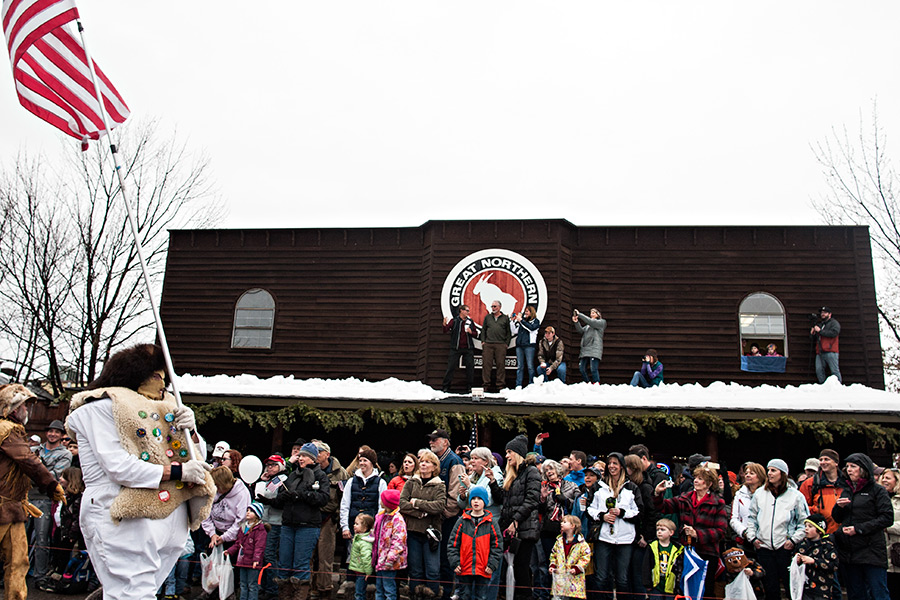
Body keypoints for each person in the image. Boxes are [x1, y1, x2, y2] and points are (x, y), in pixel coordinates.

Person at [65, 344, 215, 600]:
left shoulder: (164, 408)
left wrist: (191, 433)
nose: (162, 384)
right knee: (132, 593)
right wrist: (178, 472)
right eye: (156, 376)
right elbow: (118, 466)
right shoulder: (100, 408)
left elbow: (192, 456)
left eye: (164, 377)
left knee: (140, 591)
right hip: (123, 511)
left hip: (170, 513)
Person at [0, 384, 65, 599]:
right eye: (25, 406)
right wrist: (52, 484)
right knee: (16, 562)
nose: (28, 410)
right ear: (14, 408)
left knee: (19, 561)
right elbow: (28, 461)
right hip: (3, 507)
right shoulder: (7, 430)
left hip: (12, 508)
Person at [653, 466, 727, 599]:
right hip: (687, 552)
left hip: (708, 554)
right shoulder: (684, 498)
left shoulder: (718, 503)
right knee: (685, 588)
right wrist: (658, 494)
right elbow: (663, 507)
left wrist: (697, 534)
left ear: (709, 484)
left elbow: (721, 531)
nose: (696, 481)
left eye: (701, 479)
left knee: (706, 591)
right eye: (696, 478)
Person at [270, 442, 330, 600]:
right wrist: (280, 497)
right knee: (283, 563)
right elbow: (283, 495)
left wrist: (304, 495)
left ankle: (300, 596)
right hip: (289, 524)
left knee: (300, 564)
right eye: (300, 455)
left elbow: (324, 498)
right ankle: (284, 595)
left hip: (308, 526)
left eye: (303, 455)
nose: (300, 458)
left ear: (312, 458)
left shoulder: (320, 476)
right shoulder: (293, 474)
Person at [744, 459, 809, 600]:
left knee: (790, 586)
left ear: (783, 473)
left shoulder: (796, 496)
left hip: (785, 547)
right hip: (764, 546)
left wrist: (794, 539)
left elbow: (804, 521)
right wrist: (753, 538)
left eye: (773, 470)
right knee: (770, 587)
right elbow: (751, 518)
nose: (769, 473)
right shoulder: (760, 493)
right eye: (769, 470)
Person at [831, 452, 893, 600]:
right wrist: (838, 507)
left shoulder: (877, 491)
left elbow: (887, 518)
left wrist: (858, 529)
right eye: (847, 467)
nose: (849, 469)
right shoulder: (846, 489)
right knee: (855, 594)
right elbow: (837, 518)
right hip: (850, 552)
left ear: (863, 468)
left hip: (872, 551)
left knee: (878, 592)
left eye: (853, 466)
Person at [489, 434, 541, 600]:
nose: (506, 456)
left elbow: (532, 499)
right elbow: (503, 500)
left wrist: (516, 521)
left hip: (524, 530)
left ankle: (524, 597)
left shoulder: (531, 472)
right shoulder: (512, 474)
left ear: (518, 453)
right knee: (509, 568)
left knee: (522, 568)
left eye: (509, 452)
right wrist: (492, 483)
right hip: (509, 529)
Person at [588, 452, 641, 600]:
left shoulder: (632, 488)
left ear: (622, 466)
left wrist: (622, 512)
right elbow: (589, 509)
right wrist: (602, 516)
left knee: (622, 578)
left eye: (615, 463)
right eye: (609, 463)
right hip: (604, 537)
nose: (611, 466)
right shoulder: (599, 486)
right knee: (601, 576)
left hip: (625, 539)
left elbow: (639, 512)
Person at [339, 446, 387, 599]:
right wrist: (345, 526)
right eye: (360, 460)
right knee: (352, 556)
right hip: (355, 526)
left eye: (365, 460)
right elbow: (345, 505)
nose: (362, 463)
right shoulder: (352, 481)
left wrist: (376, 528)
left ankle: (369, 588)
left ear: (372, 462)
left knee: (369, 557)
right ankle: (351, 586)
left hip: (371, 528)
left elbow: (381, 507)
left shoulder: (380, 482)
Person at [399, 450, 447, 600]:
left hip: (430, 534)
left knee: (432, 571)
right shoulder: (411, 482)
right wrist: (419, 513)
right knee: (415, 570)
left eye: (427, 462)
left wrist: (417, 502)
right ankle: (414, 595)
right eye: (422, 461)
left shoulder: (439, 485)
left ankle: (432, 596)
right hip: (413, 531)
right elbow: (402, 504)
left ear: (434, 466)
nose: (423, 464)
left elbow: (439, 506)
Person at [29, 418, 72, 581]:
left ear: (61, 436)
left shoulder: (65, 454)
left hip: (46, 499)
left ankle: (39, 575)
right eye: (50, 431)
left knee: (42, 539)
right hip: (27, 496)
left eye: (57, 432)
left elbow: (54, 477)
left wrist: (36, 469)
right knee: (20, 537)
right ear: (46, 433)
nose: (53, 434)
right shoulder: (34, 449)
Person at [427, 429, 466, 600]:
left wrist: (443, 514)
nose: (432, 442)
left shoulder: (454, 461)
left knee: (446, 559)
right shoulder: (434, 461)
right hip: (432, 518)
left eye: (436, 439)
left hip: (447, 519)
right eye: (431, 439)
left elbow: (456, 494)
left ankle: (446, 594)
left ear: (446, 442)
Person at [448, 487, 502, 600]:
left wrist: (492, 564)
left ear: (485, 502)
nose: (476, 501)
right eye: (473, 498)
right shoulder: (462, 521)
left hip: (484, 569)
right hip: (464, 568)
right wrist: (455, 562)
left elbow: (497, 546)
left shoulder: (491, 523)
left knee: (481, 597)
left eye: (479, 499)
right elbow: (453, 544)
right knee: (464, 596)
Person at [536, 460, 579, 600]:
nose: (549, 472)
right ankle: (545, 593)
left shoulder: (570, 485)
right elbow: (541, 510)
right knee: (546, 564)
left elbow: (578, 504)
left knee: (564, 563)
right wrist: (542, 499)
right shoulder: (544, 487)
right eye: (546, 470)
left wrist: (566, 500)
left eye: (551, 468)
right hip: (548, 528)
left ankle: (563, 594)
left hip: (566, 530)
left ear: (557, 469)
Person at [312, 440, 349, 600]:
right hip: (310, 517)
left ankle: (324, 589)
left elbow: (345, 499)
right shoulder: (310, 470)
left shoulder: (340, 473)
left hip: (329, 518)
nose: (317, 455)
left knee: (326, 557)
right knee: (310, 556)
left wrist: (338, 520)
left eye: (319, 452)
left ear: (327, 454)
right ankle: (310, 588)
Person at [255, 454, 289, 599]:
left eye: (273, 465)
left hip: (276, 522)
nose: (270, 467)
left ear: (281, 466)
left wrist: (268, 501)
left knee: (270, 555)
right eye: (268, 465)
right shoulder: (266, 480)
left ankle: (272, 589)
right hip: (263, 521)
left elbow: (282, 501)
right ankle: (263, 586)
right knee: (262, 555)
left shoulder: (284, 480)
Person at [625, 453, 656, 599]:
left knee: (637, 573)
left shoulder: (644, 487)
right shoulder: (626, 485)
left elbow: (650, 513)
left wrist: (646, 535)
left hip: (641, 537)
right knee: (627, 573)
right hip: (628, 535)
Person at [225, 502, 269, 600]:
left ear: (257, 514)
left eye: (251, 511)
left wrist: (256, 559)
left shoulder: (260, 529)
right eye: (247, 510)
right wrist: (230, 551)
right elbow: (238, 543)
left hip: (253, 562)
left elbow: (259, 546)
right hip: (242, 561)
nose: (248, 513)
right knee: (243, 584)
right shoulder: (243, 527)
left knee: (252, 585)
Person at [799, 449, 848, 534]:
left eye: (827, 459)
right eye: (821, 460)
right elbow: (802, 509)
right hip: (821, 534)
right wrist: (817, 510)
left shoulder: (847, 483)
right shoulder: (810, 484)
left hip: (844, 533)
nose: (822, 462)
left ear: (836, 463)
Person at [372, 489, 407, 600]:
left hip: (389, 562)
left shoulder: (397, 520)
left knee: (389, 589)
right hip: (380, 560)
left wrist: (390, 559)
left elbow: (398, 542)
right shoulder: (380, 516)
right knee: (379, 588)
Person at [795, 513, 839, 600]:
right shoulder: (802, 544)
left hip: (822, 590)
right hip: (804, 589)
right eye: (805, 526)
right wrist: (797, 560)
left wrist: (814, 561)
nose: (806, 528)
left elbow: (833, 565)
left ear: (819, 530)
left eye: (810, 526)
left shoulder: (827, 545)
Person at [548, 515, 591, 600]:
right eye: (561, 522)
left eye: (564, 522)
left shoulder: (581, 544)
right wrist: (552, 565)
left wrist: (577, 568)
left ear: (572, 526)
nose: (561, 524)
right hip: (560, 581)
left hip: (575, 582)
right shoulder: (559, 541)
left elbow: (585, 557)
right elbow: (553, 555)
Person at [442, 305, 478, 393]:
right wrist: (444, 324)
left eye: (468, 311)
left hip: (468, 348)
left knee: (470, 368)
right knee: (451, 367)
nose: (468, 312)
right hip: (456, 347)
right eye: (466, 310)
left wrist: (471, 332)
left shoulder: (470, 321)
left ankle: (469, 386)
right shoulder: (454, 320)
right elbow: (446, 330)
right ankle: (446, 386)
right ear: (461, 310)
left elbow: (476, 333)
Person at [645, 518, 683, 600]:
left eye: (662, 530)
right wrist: (647, 584)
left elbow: (679, 568)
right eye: (657, 529)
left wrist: (678, 585)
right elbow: (646, 566)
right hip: (656, 585)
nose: (659, 532)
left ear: (671, 532)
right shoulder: (652, 546)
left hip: (671, 587)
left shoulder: (677, 549)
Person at [730, 462, 765, 547]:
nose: (747, 475)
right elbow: (734, 519)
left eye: (751, 473)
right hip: (744, 540)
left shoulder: (767, 494)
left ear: (760, 476)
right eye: (746, 473)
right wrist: (744, 532)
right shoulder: (739, 494)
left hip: (763, 540)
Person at [479, 300, 512, 392]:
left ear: (500, 307)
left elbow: (508, 332)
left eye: (495, 306)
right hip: (488, 344)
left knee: (500, 365)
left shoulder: (505, 318)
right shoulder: (488, 317)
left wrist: (506, 344)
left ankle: (500, 385)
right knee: (486, 365)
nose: (493, 308)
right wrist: (483, 341)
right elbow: (483, 330)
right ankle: (486, 384)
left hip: (500, 344)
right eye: (492, 306)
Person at [572, 308, 606, 384]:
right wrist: (576, 322)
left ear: (598, 314)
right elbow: (581, 331)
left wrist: (579, 314)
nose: (591, 314)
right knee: (582, 368)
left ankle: (596, 383)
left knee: (593, 369)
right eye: (591, 313)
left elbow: (591, 322)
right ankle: (587, 383)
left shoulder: (601, 323)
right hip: (585, 349)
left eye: (594, 313)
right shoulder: (588, 326)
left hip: (595, 348)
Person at [510, 305, 541, 389]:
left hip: (529, 346)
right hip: (520, 346)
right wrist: (512, 322)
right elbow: (514, 331)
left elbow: (531, 329)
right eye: (525, 311)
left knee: (530, 366)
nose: (525, 313)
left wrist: (521, 321)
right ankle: (518, 384)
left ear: (531, 312)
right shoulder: (523, 322)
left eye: (527, 311)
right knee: (520, 366)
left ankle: (531, 383)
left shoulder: (536, 321)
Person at [880, 467, 900, 597]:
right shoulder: (878, 497)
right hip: (881, 555)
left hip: (897, 552)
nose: (884, 480)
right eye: (883, 477)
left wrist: (886, 526)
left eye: (888, 478)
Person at [811, 306, 842, 383]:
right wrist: (813, 333)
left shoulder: (834, 323)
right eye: (822, 313)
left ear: (830, 314)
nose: (823, 314)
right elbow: (814, 338)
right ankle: (824, 386)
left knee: (834, 371)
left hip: (831, 351)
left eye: (825, 313)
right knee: (819, 370)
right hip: (820, 352)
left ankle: (838, 387)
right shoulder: (821, 324)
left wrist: (820, 331)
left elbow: (834, 333)